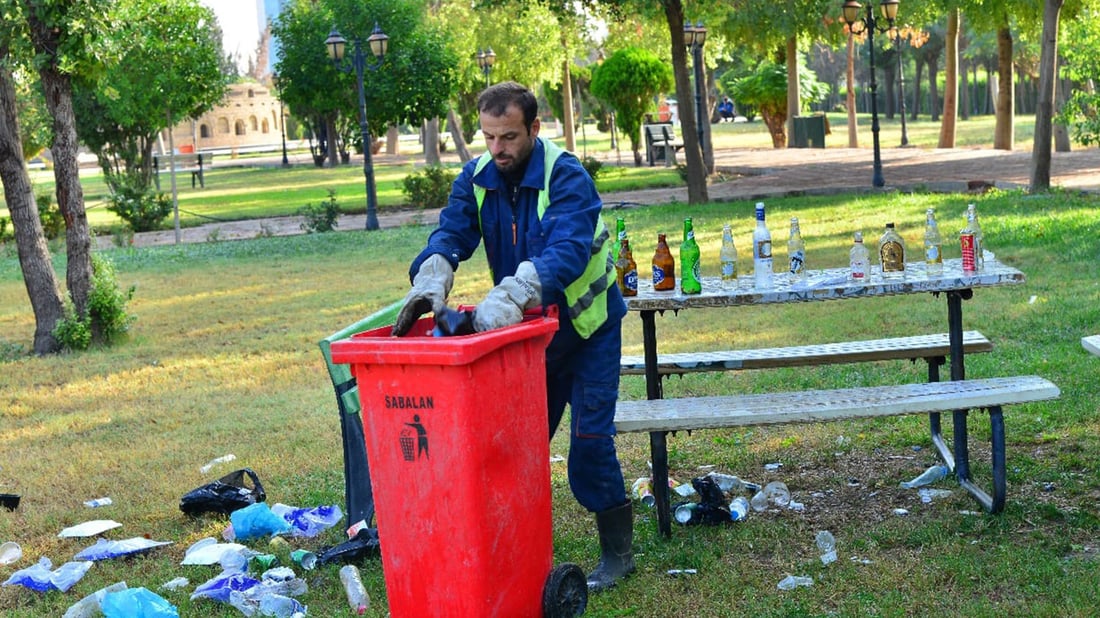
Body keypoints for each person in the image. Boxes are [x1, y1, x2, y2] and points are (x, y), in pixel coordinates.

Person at [391, 81, 635, 592]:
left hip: (588, 331)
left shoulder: (566, 177)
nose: (497, 149)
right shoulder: (478, 177)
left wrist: (511, 292)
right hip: (533, 339)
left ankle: (618, 555)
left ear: (534, 129)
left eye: (508, 137)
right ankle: (515, 547)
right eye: (488, 137)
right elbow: (452, 232)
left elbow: (566, 251)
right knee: (517, 450)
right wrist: (432, 274)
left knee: (590, 447)